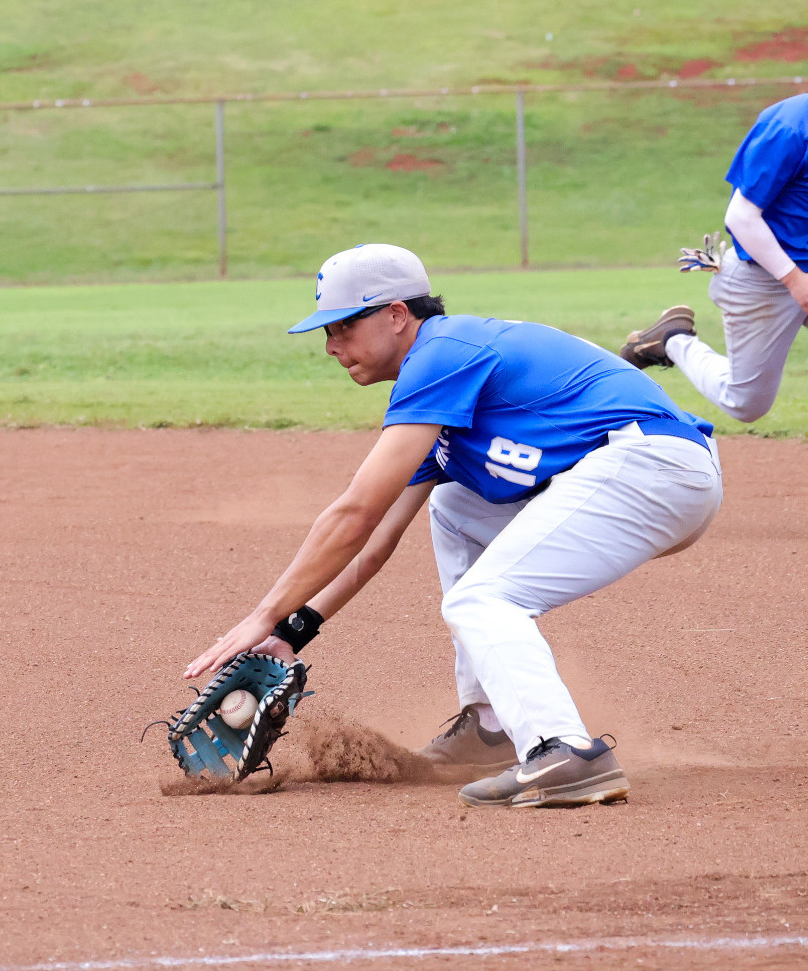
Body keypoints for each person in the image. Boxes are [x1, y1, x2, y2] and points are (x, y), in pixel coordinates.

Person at [184, 243, 722, 808]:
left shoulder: (441, 352)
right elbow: (374, 541)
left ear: (396, 314)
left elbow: (352, 513)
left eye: (343, 325)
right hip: (638, 476)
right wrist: (291, 632)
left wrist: (261, 614)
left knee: (482, 600)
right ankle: (491, 724)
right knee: (456, 509)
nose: (332, 346)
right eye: (326, 332)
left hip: (652, 468)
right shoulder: (432, 387)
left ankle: (561, 748)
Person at [618, 12, 808, 536]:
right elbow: (740, 216)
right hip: (760, 275)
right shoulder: (789, 127)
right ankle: (671, 342)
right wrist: (792, 279)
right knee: (746, 403)